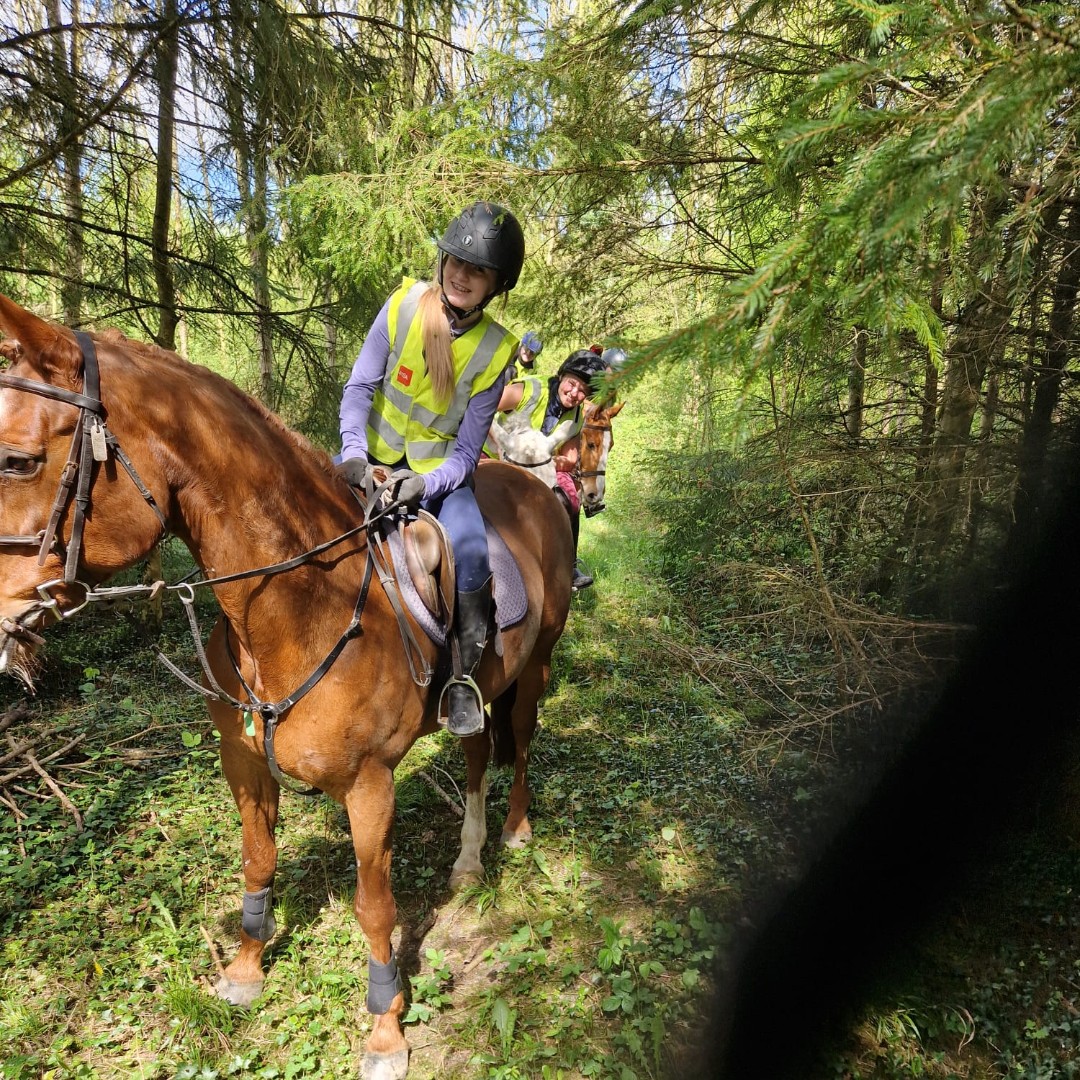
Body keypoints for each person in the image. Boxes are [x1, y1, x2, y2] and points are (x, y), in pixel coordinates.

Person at [337, 200, 525, 737]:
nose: (462, 276)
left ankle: (462, 681)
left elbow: (467, 455)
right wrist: (353, 454)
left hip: (437, 476)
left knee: (470, 554)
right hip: (364, 460)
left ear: (495, 284)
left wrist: (423, 483)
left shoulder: (494, 351)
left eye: (479, 270)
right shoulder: (400, 307)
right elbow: (358, 390)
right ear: (442, 261)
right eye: (456, 262)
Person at [495, 348, 608, 591]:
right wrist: (497, 448)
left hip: (538, 467)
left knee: (570, 497)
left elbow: (570, 454)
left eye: (583, 392)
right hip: (495, 454)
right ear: (562, 377)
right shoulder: (529, 390)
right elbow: (482, 408)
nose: (575, 393)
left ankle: (568, 564)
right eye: (572, 384)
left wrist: (562, 461)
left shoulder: (577, 416)